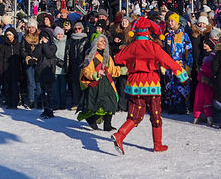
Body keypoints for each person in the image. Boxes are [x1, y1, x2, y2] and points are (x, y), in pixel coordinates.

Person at [111, 17, 184, 154]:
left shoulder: (131, 47)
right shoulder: (153, 47)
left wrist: (131, 63)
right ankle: (158, 145)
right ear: (148, 32)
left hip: (134, 83)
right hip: (151, 82)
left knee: (135, 115)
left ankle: (120, 135)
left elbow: (118, 58)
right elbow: (168, 61)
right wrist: (181, 74)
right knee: (155, 114)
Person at [76, 34, 120, 131]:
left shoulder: (107, 56)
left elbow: (112, 70)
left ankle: (107, 125)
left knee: (111, 102)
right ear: (95, 43)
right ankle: (91, 119)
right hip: (96, 84)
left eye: (104, 41)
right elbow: (86, 70)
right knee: (99, 105)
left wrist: (123, 70)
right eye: (101, 41)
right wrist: (95, 74)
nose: (104, 43)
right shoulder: (90, 56)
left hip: (107, 82)